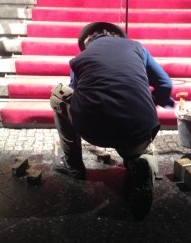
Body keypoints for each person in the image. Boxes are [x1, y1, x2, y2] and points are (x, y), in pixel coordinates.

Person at [50, 21, 174, 216]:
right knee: (140, 144)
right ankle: (141, 162)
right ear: (116, 36)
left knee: (58, 95)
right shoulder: (136, 47)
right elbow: (165, 83)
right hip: (138, 129)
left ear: (88, 42)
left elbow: (74, 94)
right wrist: (158, 100)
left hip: (92, 129)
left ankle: (73, 165)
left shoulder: (80, 58)